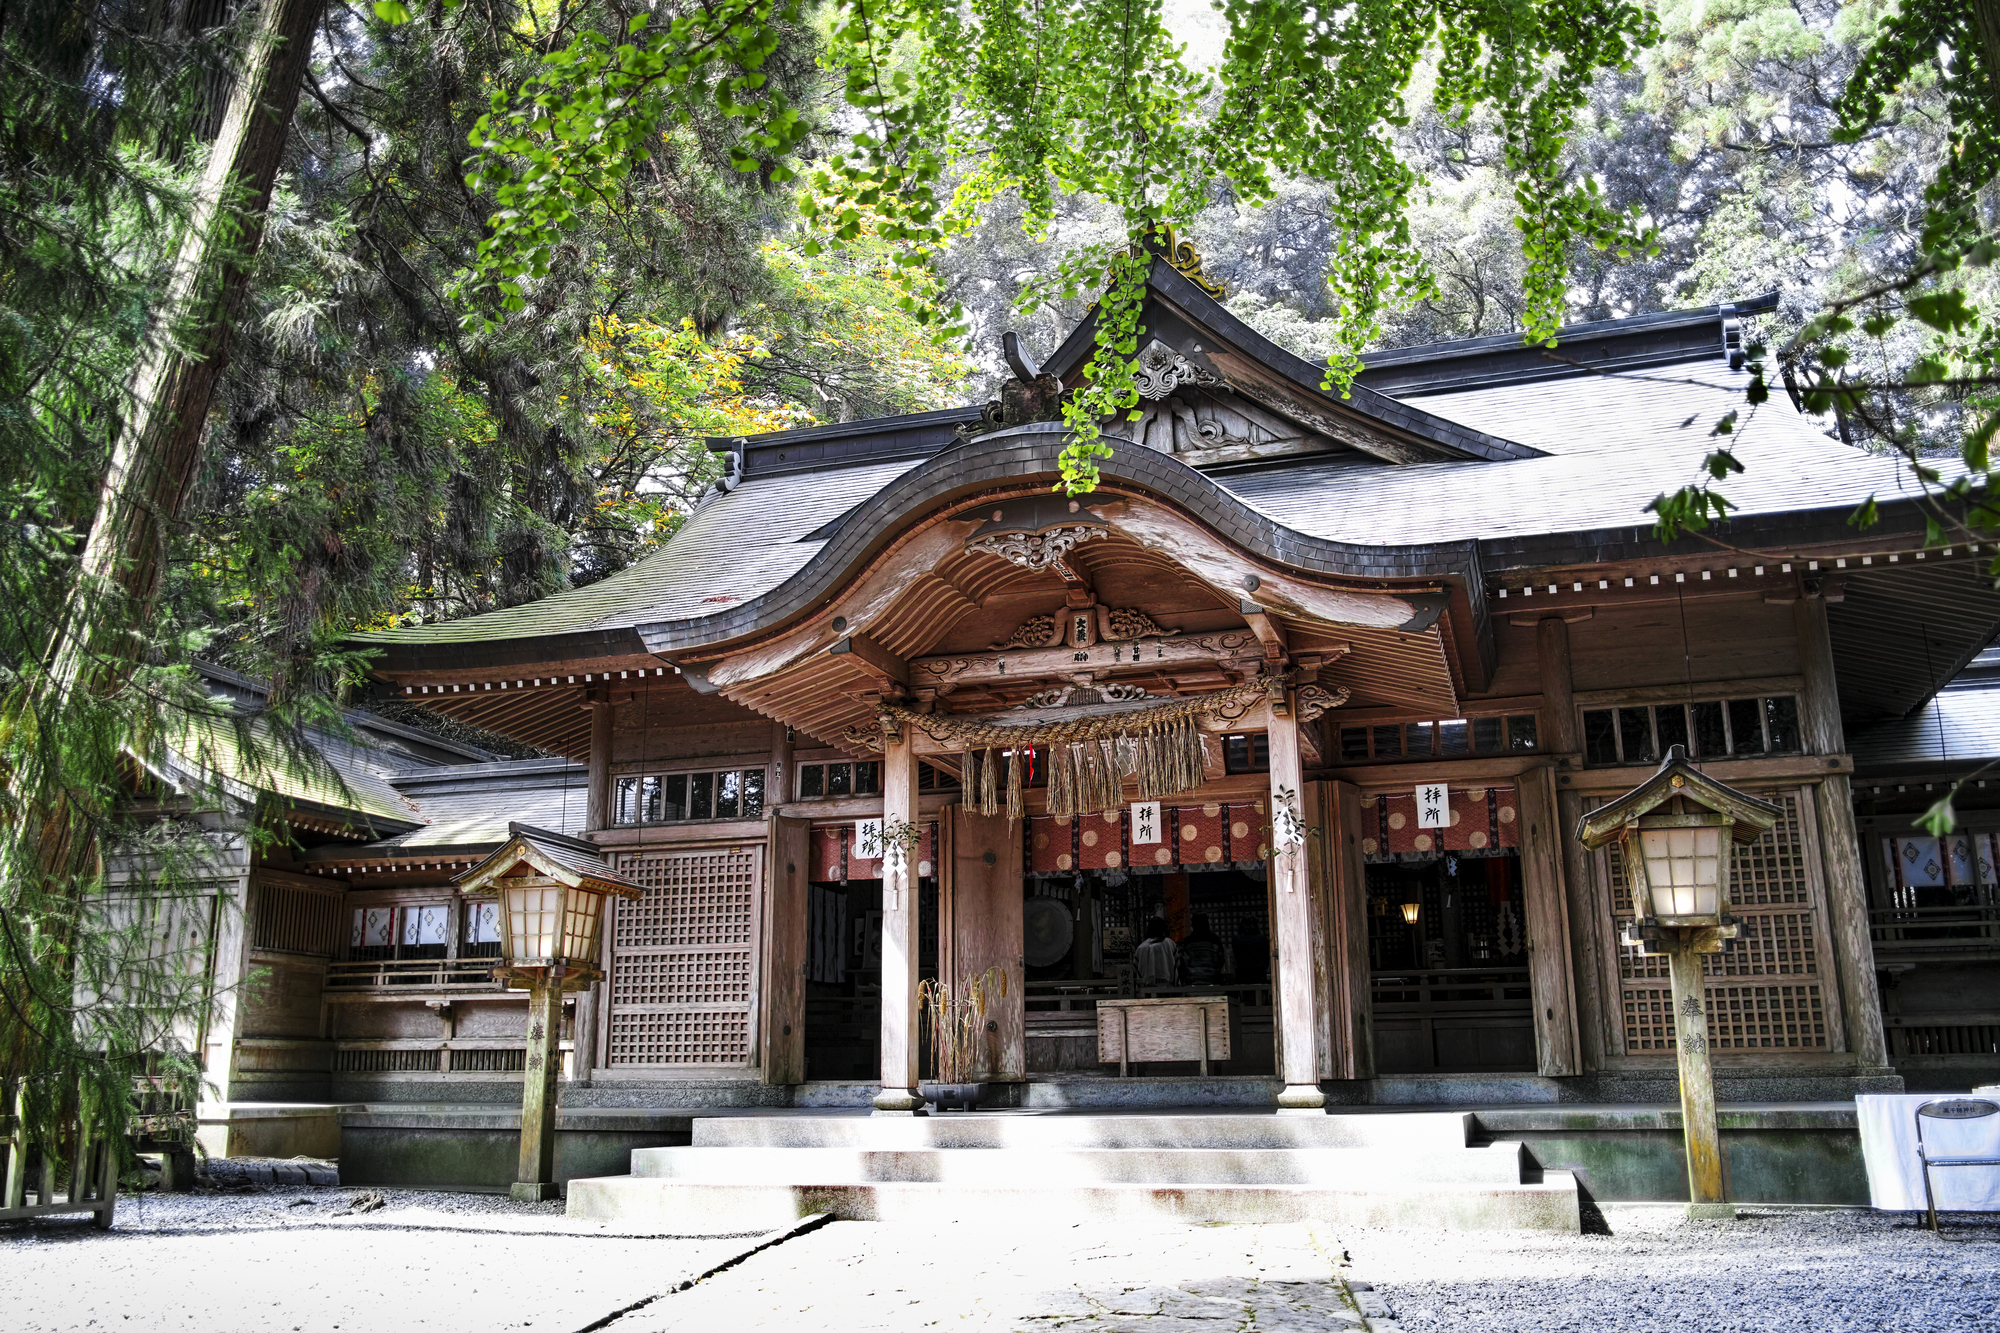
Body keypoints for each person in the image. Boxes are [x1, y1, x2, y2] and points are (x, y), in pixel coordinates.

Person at [1181, 913, 1226, 985]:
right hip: (1213, 978)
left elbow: (1183, 961)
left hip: (1192, 979)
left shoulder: (1188, 941)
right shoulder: (1215, 939)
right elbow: (1222, 959)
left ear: (1193, 924)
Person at [1132, 916, 1178, 986]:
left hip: (1145, 986)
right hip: (1167, 985)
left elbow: (1136, 969)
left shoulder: (1141, 947)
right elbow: (1178, 963)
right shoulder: (1169, 943)